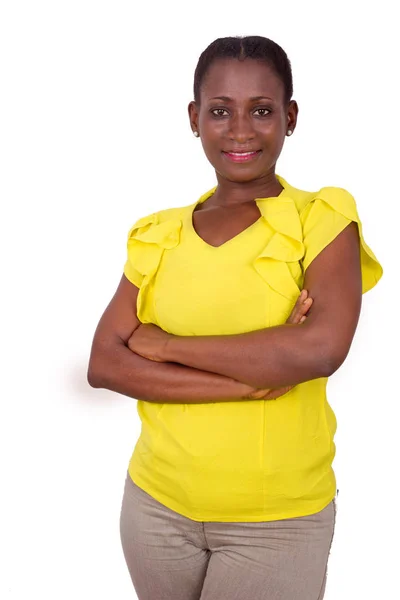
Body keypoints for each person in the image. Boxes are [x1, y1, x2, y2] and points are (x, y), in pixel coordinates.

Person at [87, 35, 383, 600]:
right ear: (195, 119)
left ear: (290, 117)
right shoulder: (158, 233)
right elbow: (104, 364)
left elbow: (319, 350)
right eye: (220, 111)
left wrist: (163, 344)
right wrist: (251, 380)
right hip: (155, 508)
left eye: (262, 110)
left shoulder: (321, 220)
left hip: (276, 523)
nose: (241, 130)